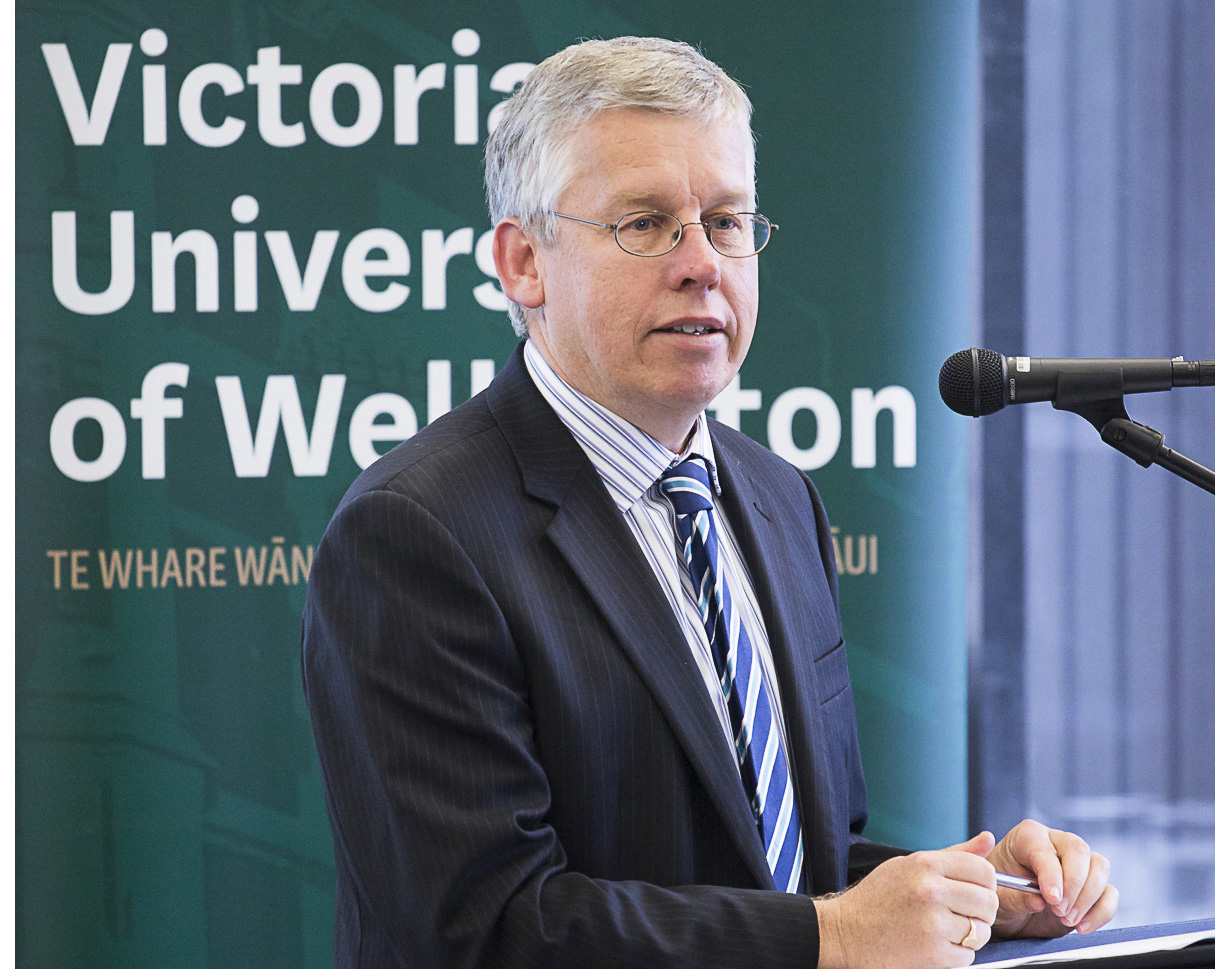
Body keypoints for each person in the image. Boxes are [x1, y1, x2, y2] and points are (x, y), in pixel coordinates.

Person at [301, 36, 1118, 969]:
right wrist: (840, 936)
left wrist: (972, 899)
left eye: (728, 221)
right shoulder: (416, 531)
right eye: (646, 224)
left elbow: (796, 870)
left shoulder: (778, 499)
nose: (704, 264)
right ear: (525, 262)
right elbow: (482, 929)